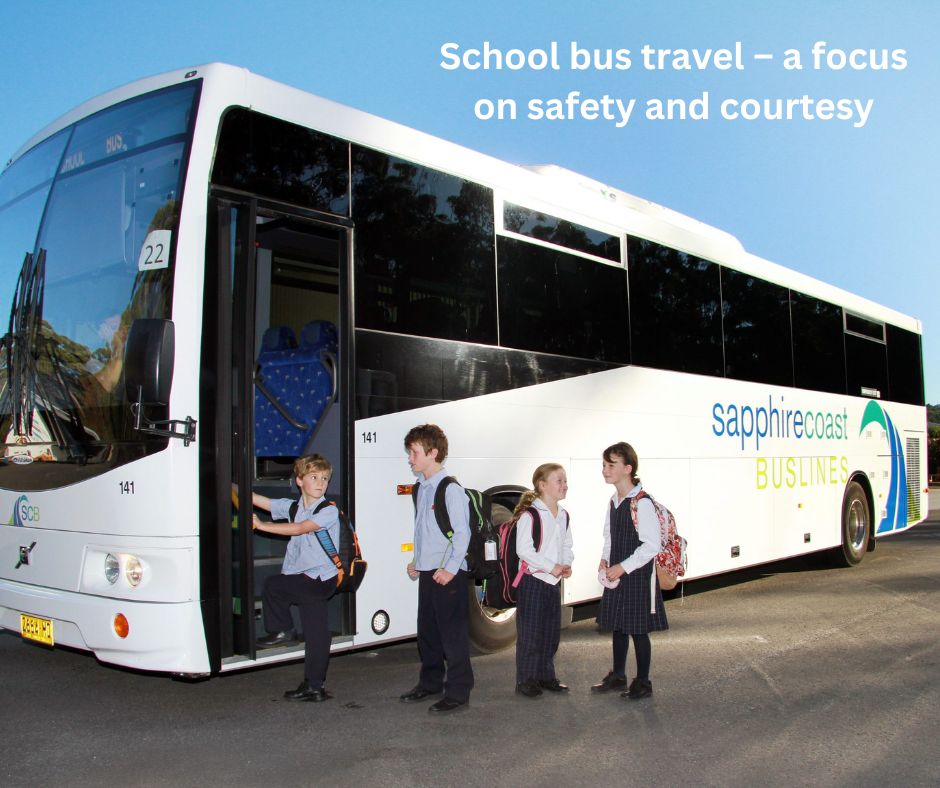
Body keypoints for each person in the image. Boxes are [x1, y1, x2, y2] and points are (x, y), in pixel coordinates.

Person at [251, 453, 340, 703]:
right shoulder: (294, 507)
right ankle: (314, 687)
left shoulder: (327, 511)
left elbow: (300, 528)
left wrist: (262, 526)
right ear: (299, 480)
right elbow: (264, 502)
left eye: (324, 478)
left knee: (273, 586)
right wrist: (230, 486)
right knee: (316, 634)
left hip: (320, 579)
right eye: (313, 477)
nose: (320, 483)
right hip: (307, 578)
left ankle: (282, 630)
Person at [398, 424, 474, 713]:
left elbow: (462, 534)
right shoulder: (420, 489)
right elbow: (424, 531)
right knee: (427, 631)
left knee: (452, 634)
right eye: (409, 453)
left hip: (448, 573)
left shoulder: (451, 490)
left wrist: (450, 569)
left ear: (433, 453)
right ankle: (430, 683)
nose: (410, 459)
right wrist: (418, 562)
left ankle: (458, 690)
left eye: (414, 452)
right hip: (429, 571)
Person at [592, 442, 668, 700]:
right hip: (617, 573)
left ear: (628, 468)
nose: (605, 469)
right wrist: (604, 560)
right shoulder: (614, 500)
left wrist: (622, 567)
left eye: (610, 465)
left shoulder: (641, 503)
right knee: (618, 625)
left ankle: (643, 681)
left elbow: (651, 545)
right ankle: (618, 675)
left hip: (636, 575)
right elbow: (609, 536)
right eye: (604, 464)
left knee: (637, 629)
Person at [513, 463, 574, 698]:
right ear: (542, 485)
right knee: (530, 633)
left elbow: (567, 545)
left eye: (565, 481)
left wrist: (566, 563)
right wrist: (552, 566)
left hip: (553, 582)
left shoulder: (563, 515)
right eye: (559, 481)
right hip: (533, 581)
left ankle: (546, 676)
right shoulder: (531, 515)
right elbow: (524, 551)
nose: (565, 485)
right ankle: (526, 680)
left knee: (550, 632)